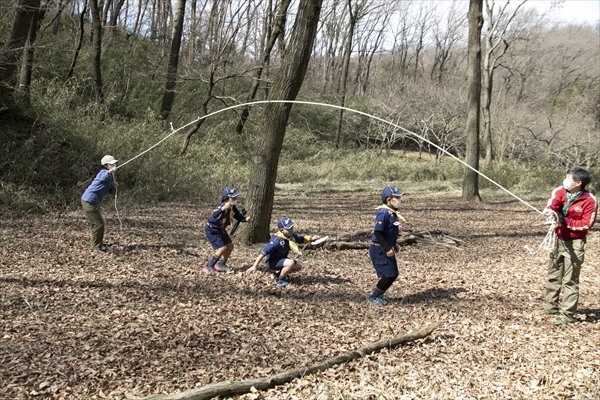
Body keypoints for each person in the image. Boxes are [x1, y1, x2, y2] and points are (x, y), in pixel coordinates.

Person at [539, 166, 597, 325]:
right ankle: (550, 306)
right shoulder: (560, 191)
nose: (566, 180)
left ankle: (567, 314)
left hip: (575, 242)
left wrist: (565, 221)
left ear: (578, 183)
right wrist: (552, 212)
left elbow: (586, 224)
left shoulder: (589, 200)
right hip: (557, 239)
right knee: (553, 274)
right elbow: (553, 203)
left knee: (570, 280)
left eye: (569, 178)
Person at [246, 217, 320, 287]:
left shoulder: (291, 236)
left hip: (282, 260)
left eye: (292, 228)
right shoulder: (276, 241)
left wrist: (311, 238)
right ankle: (280, 280)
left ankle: (279, 274)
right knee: (290, 263)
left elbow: (301, 239)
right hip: (272, 262)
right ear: (282, 230)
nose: (291, 230)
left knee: (298, 266)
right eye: (289, 229)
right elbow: (263, 253)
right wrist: (254, 266)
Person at [367, 186, 406, 306]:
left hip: (388, 246)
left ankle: (379, 294)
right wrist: (386, 248)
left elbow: (390, 231)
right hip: (379, 248)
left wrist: (394, 243)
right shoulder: (383, 213)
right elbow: (378, 232)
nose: (399, 200)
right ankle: (374, 296)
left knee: (393, 273)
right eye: (397, 198)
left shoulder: (392, 213)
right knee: (389, 274)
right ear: (389, 200)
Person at [203, 186, 250, 274]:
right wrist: (223, 208)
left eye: (236, 197)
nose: (235, 199)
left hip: (221, 230)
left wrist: (245, 219)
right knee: (222, 248)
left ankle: (221, 264)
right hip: (212, 230)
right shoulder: (222, 206)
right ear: (227, 198)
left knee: (230, 246)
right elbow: (214, 215)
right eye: (233, 197)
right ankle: (209, 267)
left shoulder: (232, 207)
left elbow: (237, 216)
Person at [81, 155, 119, 254]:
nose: (114, 165)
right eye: (111, 164)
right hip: (88, 200)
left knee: (96, 224)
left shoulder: (111, 177)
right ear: (106, 165)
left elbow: (111, 192)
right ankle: (96, 247)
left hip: (92, 202)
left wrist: (114, 187)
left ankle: (96, 244)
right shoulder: (103, 173)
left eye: (114, 164)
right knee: (99, 224)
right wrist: (110, 172)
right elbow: (103, 178)